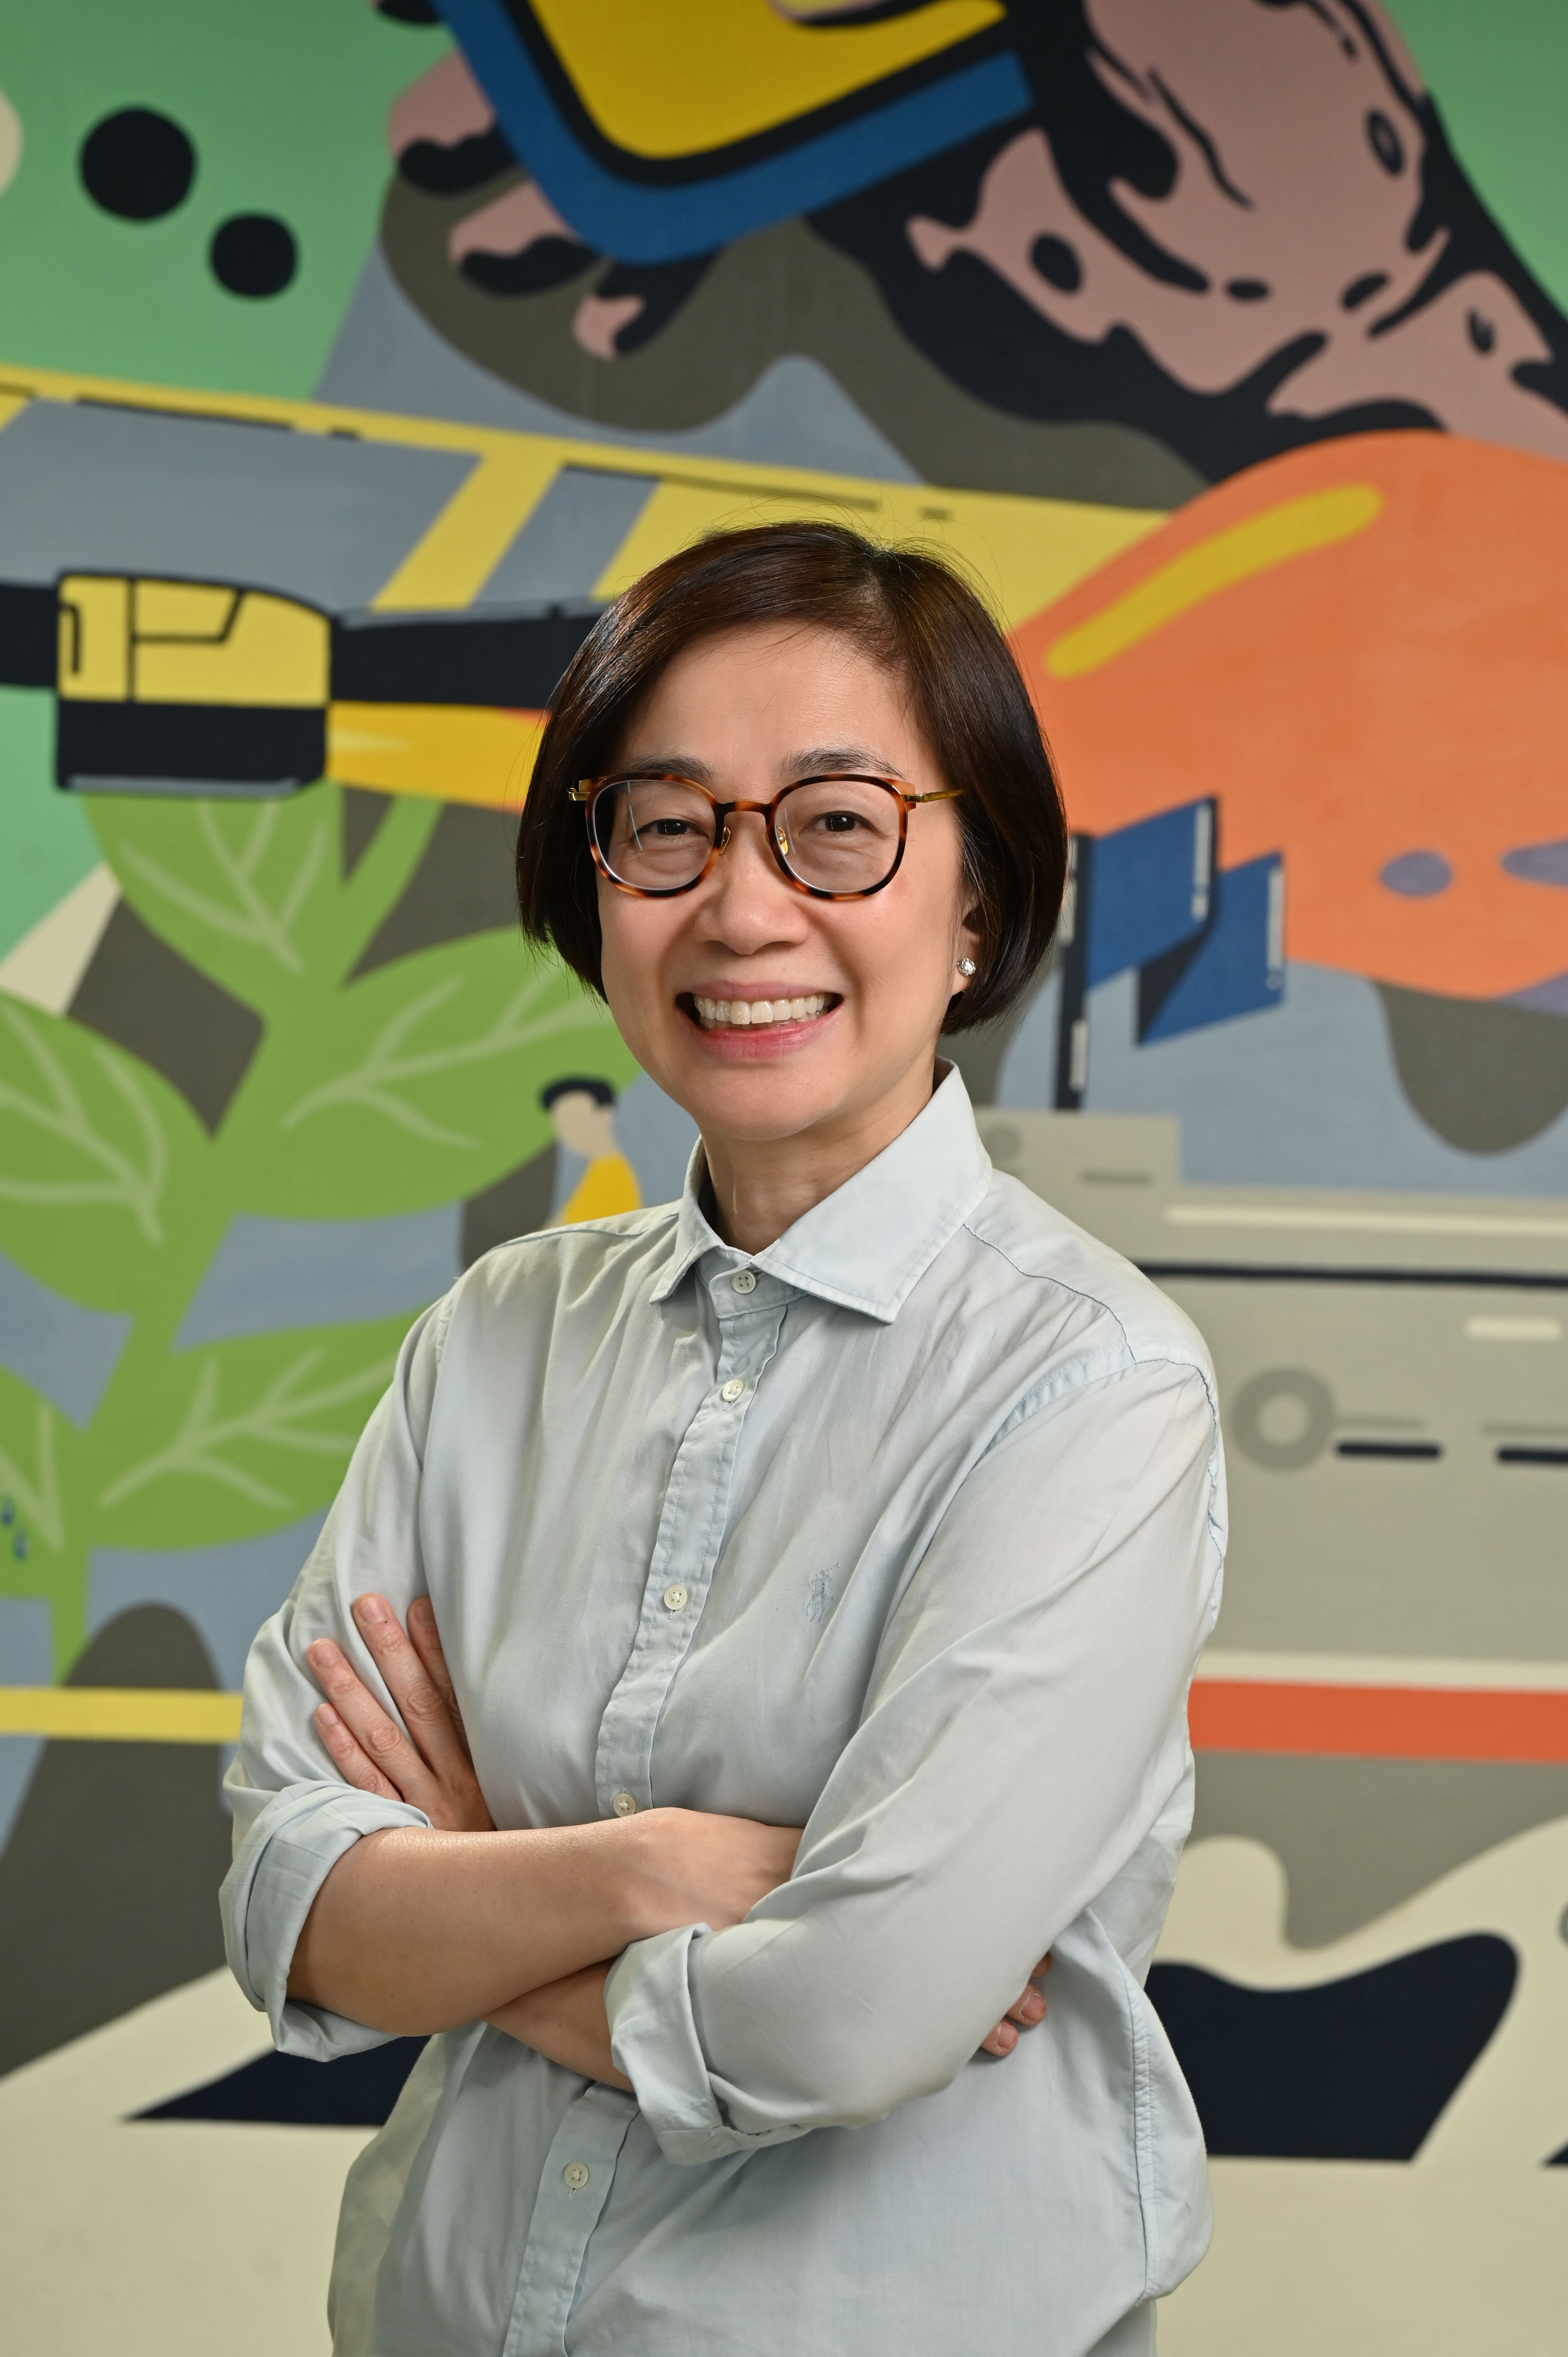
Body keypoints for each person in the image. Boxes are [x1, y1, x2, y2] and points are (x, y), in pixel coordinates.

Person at [222, 521, 1225, 2357]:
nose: (743, 910)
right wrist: (645, 1874)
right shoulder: (497, 1339)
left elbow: (848, 2024)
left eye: (837, 824)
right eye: (665, 826)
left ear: (981, 898)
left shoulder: (1092, 1390)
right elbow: (290, 1905)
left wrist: (472, 1884)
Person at [539, 1075, 642, 1224]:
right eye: (562, 1123)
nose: (569, 1132)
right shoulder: (597, 1170)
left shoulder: (611, 1174)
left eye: (576, 1119)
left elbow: (565, 1230)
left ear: (606, 1113)